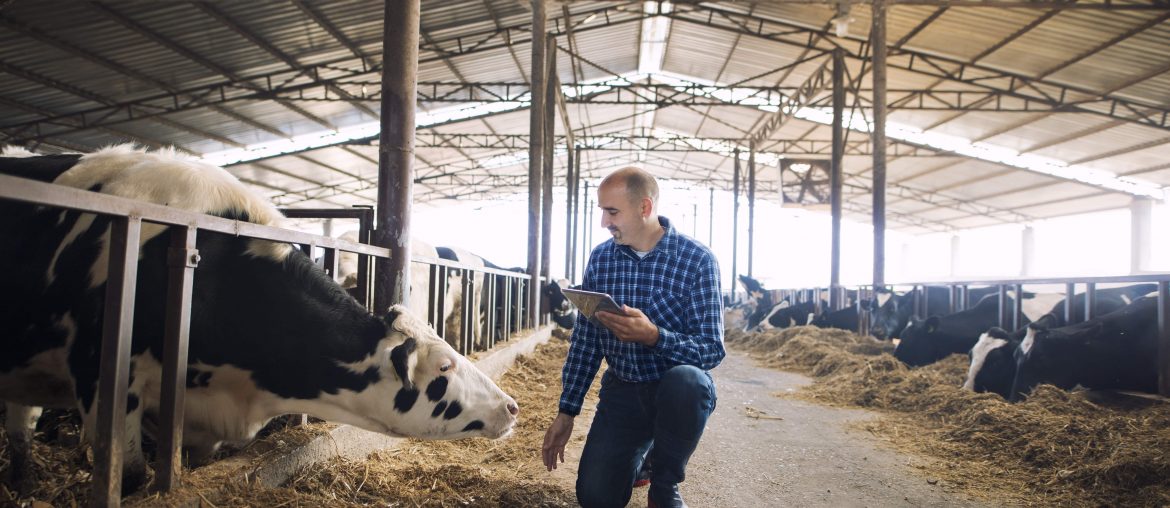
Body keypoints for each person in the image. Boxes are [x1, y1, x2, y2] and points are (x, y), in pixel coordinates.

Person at [541, 167, 725, 508]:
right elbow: (586, 340)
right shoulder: (602, 259)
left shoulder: (697, 260)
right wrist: (567, 411)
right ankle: (640, 454)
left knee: (688, 381)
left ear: (644, 207)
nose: (604, 222)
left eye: (612, 212)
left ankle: (664, 483)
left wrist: (655, 336)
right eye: (602, 211)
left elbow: (711, 350)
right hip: (623, 389)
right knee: (595, 498)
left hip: (674, 391)